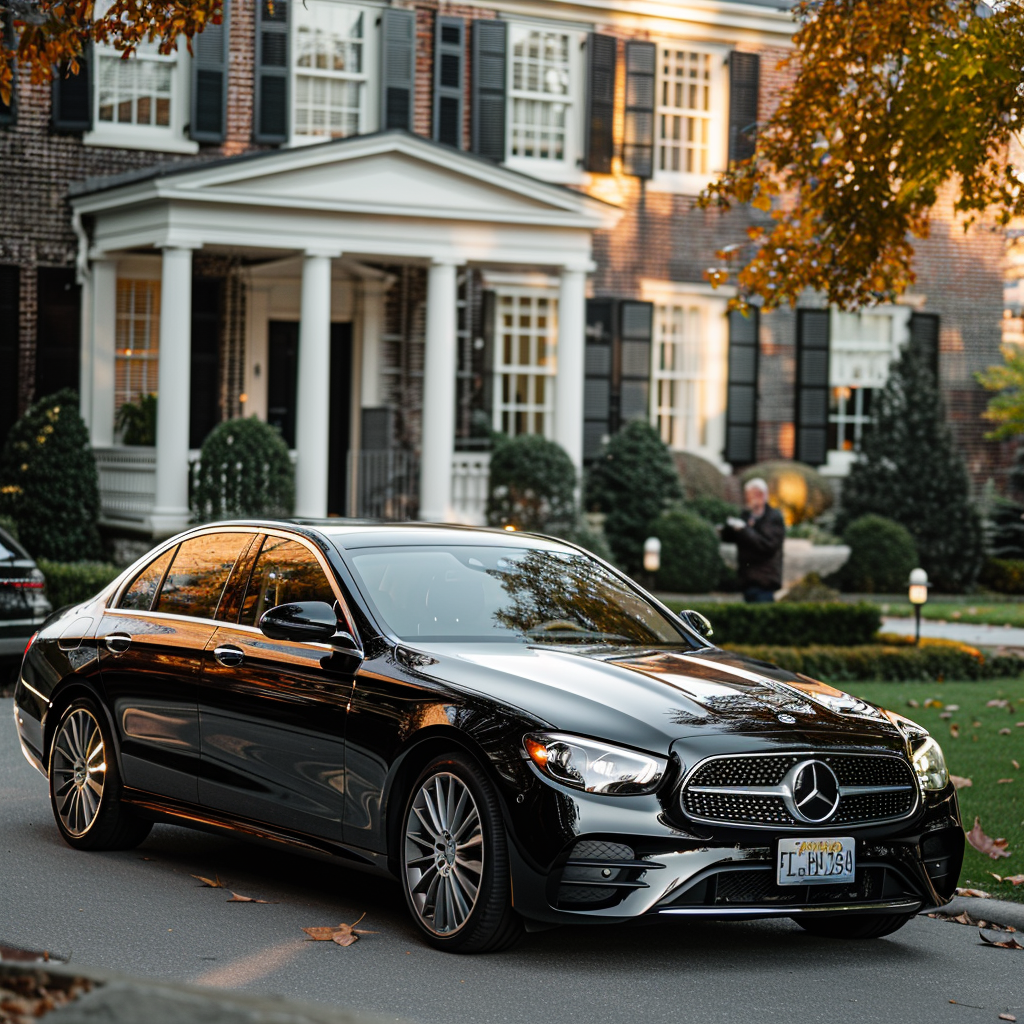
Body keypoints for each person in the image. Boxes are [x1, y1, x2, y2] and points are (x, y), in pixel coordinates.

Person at [719, 478, 785, 603]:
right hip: (747, 580)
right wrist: (727, 529)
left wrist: (744, 529)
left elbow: (767, 546)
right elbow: (734, 539)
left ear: (760, 495)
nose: (747, 499)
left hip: (765, 580)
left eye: (750, 495)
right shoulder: (746, 515)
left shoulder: (773, 518)